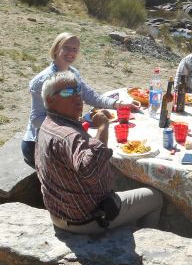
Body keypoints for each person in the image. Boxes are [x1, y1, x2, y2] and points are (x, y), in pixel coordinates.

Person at [35, 71, 163, 233]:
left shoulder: (48, 124)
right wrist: (103, 127)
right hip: (87, 218)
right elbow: (92, 170)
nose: (77, 97)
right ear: (49, 100)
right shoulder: (69, 135)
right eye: (67, 93)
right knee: (155, 197)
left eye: (77, 90)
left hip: (60, 212)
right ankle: (147, 242)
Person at [22, 32, 139, 168]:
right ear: (56, 49)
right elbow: (36, 119)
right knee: (91, 163)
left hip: (61, 139)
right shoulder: (42, 81)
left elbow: (91, 96)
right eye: (66, 47)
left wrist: (119, 105)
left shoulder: (73, 73)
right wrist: (70, 126)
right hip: (38, 144)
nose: (71, 52)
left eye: (75, 49)